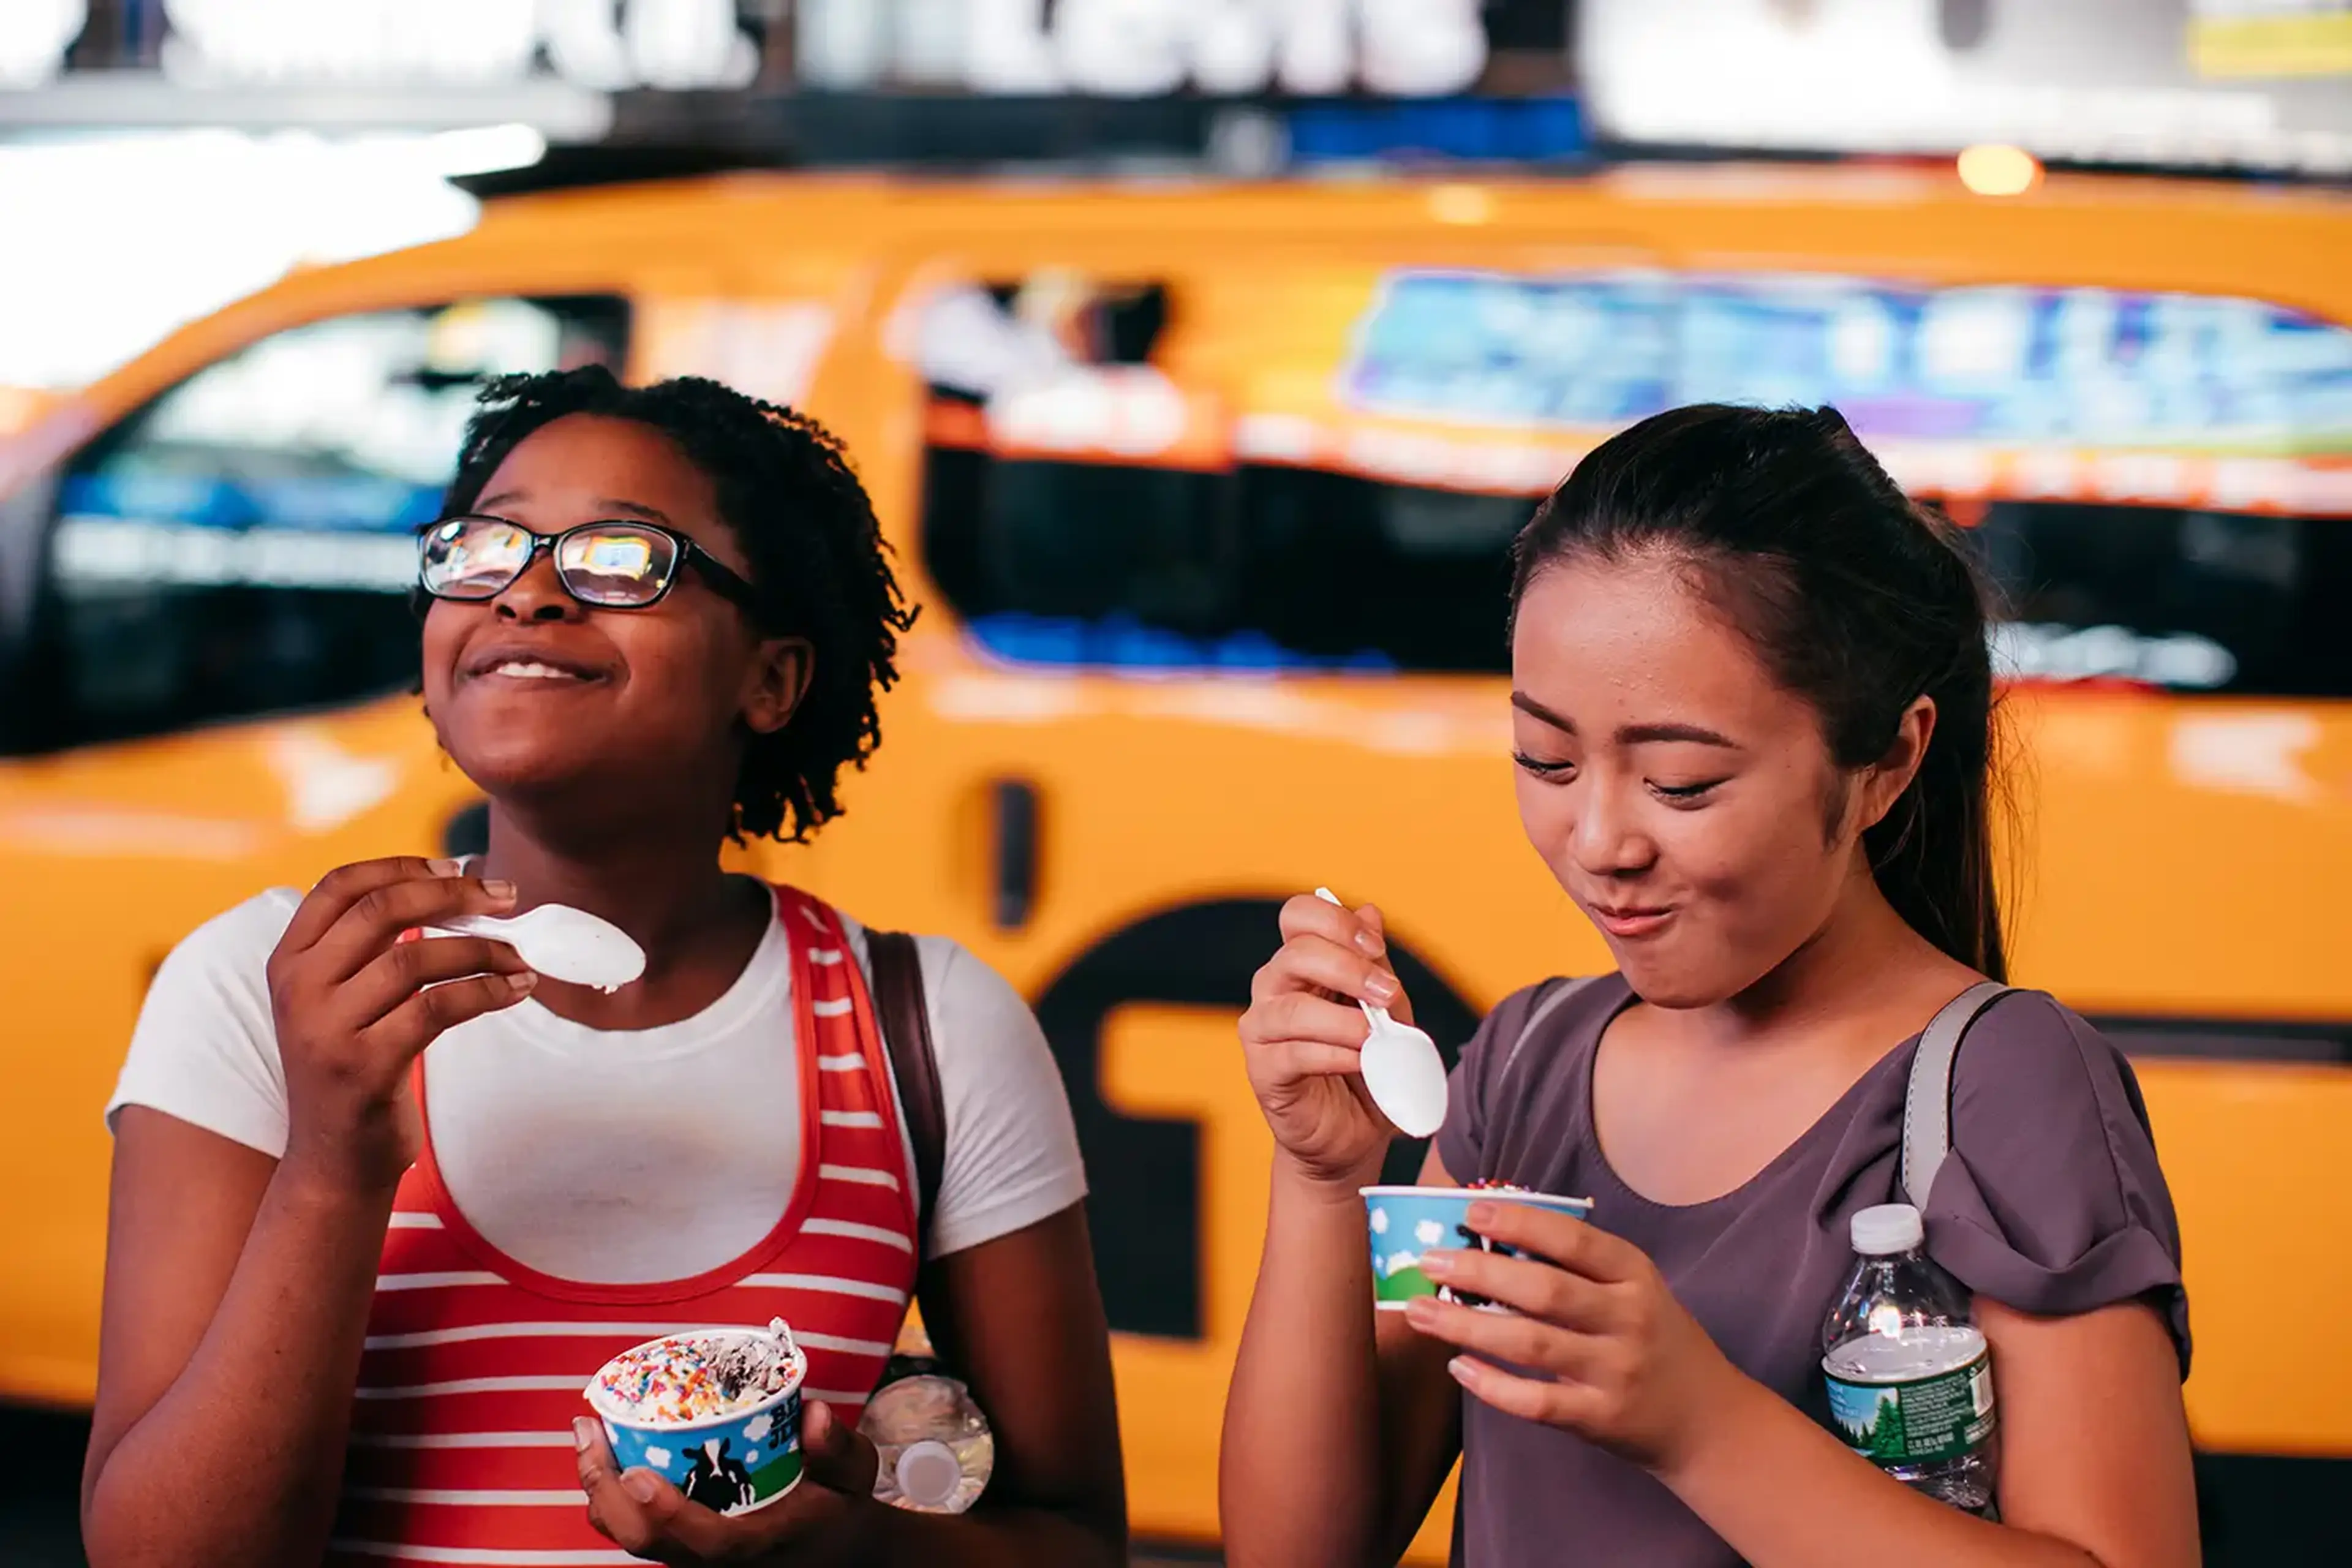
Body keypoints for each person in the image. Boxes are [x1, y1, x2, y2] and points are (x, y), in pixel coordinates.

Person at [83, 368, 1127, 1568]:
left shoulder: (923, 1026)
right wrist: (331, 1164)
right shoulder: (275, 981)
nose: (526, 593)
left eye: (624, 558)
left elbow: (1077, 1541)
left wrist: (849, 1549)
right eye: (485, 549)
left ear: (772, 677)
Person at [1221, 405, 2197, 1568]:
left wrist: (1700, 1426)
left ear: (1887, 762)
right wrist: (1323, 1180)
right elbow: (1301, 1552)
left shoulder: (2005, 1086)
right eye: (1544, 759)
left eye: (1681, 782)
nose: (1597, 840)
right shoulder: (1526, 1066)